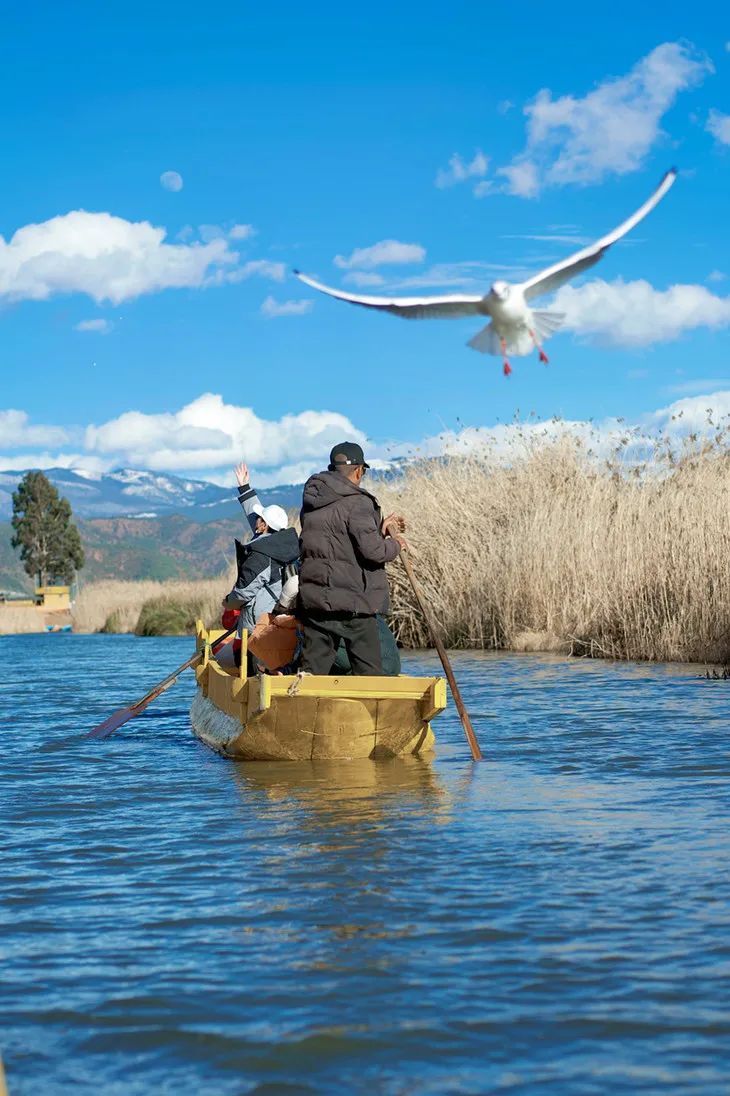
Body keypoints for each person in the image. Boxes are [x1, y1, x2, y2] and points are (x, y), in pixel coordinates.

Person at [298, 441, 407, 675]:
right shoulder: (358, 502)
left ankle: (303, 708)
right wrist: (395, 544)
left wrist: (378, 530)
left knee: (311, 674)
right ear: (358, 471)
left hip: (317, 604)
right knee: (370, 676)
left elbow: (338, 545)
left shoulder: (311, 503)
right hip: (353, 606)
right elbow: (374, 552)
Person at [222, 462, 300, 665]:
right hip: (279, 621)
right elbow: (256, 522)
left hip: (258, 623)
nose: (256, 520)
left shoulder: (261, 555)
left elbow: (245, 591)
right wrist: (245, 488)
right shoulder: (285, 545)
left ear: (263, 525)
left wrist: (228, 602)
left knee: (251, 667)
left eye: (260, 518)